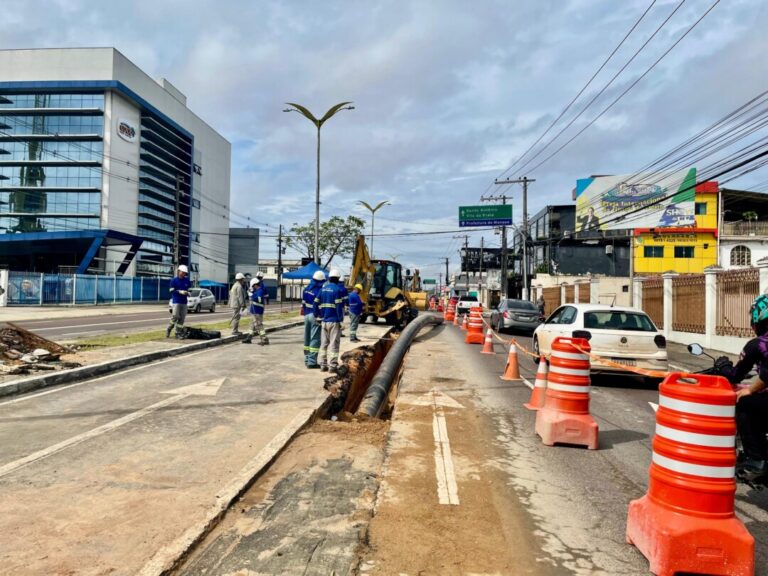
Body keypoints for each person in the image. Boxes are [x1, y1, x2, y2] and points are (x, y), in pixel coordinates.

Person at [715, 293, 768, 481]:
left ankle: (757, 459)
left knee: (744, 402)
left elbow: (736, 375)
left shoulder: (759, 344)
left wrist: (724, 366)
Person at [313, 268, 345, 373]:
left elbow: (315, 303)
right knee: (334, 344)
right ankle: (332, 366)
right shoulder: (337, 290)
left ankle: (323, 364)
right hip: (334, 321)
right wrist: (341, 320)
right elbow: (339, 306)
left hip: (324, 321)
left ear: (329, 278)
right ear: (337, 279)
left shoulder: (323, 289)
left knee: (324, 344)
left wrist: (316, 315)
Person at [303, 270, 326, 368]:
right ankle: (312, 362)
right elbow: (318, 306)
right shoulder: (319, 291)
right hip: (314, 315)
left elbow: (303, 303)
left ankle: (307, 359)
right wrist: (319, 316)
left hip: (307, 315)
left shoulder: (306, 288)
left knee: (307, 337)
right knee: (315, 339)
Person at [167, 265, 191, 339]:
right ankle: (169, 328)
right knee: (176, 316)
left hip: (184, 302)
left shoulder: (187, 280)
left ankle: (178, 333)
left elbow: (189, 289)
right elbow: (171, 290)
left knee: (182, 318)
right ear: (179, 271)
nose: (183, 274)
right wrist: (179, 291)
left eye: (184, 273)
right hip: (176, 301)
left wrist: (188, 292)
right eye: (182, 272)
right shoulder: (173, 280)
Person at [243, 277, 269, 345]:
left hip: (257, 311)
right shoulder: (256, 291)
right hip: (254, 311)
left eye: (252, 286)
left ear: (255, 285)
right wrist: (251, 293)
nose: (252, 287)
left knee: (258, 325)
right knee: (252, 325)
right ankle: (249, 337)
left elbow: (259, 300)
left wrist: (252, 296)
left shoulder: (260, 291)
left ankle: (264, 339)